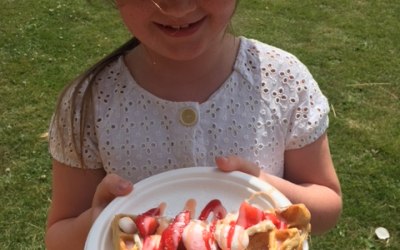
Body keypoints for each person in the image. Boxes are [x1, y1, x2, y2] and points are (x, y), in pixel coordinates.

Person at [45, 0, 342, 249]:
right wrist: (98, 218)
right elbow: (58, 237)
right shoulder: (87, 104)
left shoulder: (285, 82)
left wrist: (264, 185)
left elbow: (327, 206)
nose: (176, 7)